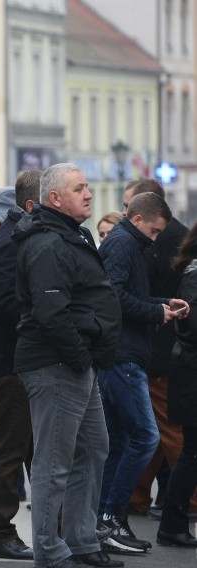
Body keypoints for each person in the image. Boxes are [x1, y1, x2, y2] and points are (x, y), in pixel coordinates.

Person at [14, 162, 122, 568]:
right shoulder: (47, 243)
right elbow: (51, 311)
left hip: (78, 360)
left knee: (94, 449)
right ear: (55, 198)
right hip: (57, 362)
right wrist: (79, 355)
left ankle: (80, 539)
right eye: (80, 188)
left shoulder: (70, 234)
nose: (89, 194)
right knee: (53, 464)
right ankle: (50, 551)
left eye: (88, 186)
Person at [96, 192, 185, 554]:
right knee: (146, 438)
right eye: (152, 231)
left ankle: (106, 519)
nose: (155, 239)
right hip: (122, 355)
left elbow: (125, 294)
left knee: (118, 442)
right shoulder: (122, 245)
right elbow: (114, 297)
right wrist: (156, 313)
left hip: (123, 353)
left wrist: (163, 304)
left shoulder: (127, 243)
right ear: (137, 220)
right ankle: (111, 518)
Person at [123, 180, 196, 520]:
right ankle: (135, 496)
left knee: (165, 430)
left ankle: (187, 501)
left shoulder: (160, 241)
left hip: (162, 350)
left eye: (129, 208)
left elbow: (143, 293)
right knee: (148, 428)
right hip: (163, 347)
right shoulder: (172, 236)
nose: (126, 216)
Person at [0, 172, 41, 560]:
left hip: (21, 359)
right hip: (11, 361)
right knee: (9, 448)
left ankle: (54, 526)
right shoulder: (10, 242)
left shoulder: (20, 234)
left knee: (34, 448)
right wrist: (39, 315)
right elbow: (1, 302)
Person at [159, 222, 197, 547]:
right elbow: (193, 325)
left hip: (190, 371)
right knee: (192, 454)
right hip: (192, 375)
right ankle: (172, 524)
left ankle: (172, 523)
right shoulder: (195, 273)